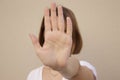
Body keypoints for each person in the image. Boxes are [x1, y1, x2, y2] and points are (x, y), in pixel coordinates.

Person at [28, 3, 97, 80]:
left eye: (64, 30)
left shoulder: (83, 67)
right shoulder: (33, 75)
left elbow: (79, 74)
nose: (57, 37)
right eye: (52, 29)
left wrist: (64, 67)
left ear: (74, 37)